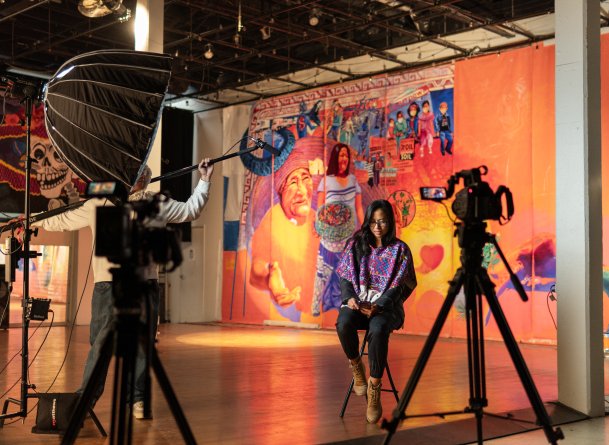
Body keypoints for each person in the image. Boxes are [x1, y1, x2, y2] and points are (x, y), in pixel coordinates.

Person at [32, 159, 213, 419]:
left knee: (143, 343)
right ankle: (85, 401)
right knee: (100, 346)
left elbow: (190, 210)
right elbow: (64, 220)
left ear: (144, 180)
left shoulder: (157, 203)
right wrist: (34, 223)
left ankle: (137, 397)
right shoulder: (99, 203)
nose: (131, 179)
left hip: (144, 284)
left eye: (137, 175)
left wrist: (204, 180)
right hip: (107, 286)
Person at [335, 199, 417, 423]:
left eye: (382, 222)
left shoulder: (400, 249)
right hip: (359, 303)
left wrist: (379, 305)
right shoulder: (356, 245)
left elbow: (401, 286)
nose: (377, 227)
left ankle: (374, 388)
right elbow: (344, 277)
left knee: (378, 328)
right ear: (367, 222)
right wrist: (350, 299)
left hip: (386, 308)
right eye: (373, 222)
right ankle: (356, 366)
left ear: (390, 222)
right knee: (343, 323)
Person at [249, 137, 323, 320]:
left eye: (306, 179)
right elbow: (256, 269)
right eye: (293, 182)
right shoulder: (273, 219)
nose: (302, 191)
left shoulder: (319, 219)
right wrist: (271, 278)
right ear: (281, 188)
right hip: (288, 316)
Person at [312, 143, 365, 318]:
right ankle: (315, 306)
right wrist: (317, 226)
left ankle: (351, 309)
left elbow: (358, 209)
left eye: (346, 156)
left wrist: (364, 230)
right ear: (335, 158)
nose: (344, 159)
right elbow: (320, 208)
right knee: (322, 272)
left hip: (349, 236)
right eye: (341, 155)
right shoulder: (326, 181)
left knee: (350, 273)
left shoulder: (352, 180)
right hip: (329, 237)